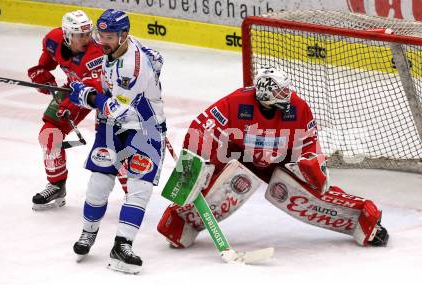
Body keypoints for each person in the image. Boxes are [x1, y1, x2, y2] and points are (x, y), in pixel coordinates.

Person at [157, 67, 389, 249]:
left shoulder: (297, 108)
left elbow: (309, 142)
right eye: (279, 91)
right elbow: (202, 128)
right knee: (210, 181)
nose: (286, 95)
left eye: (286, 90)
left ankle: (361, 216)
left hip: (278, 160)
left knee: (305, 188)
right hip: (237, 155)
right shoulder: (236, 103)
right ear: (265, 92)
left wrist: (312, 164)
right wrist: (190, 169)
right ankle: (181, 220)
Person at [68, 9, 166, 274]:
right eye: (100, 35)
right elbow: (158, 58)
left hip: (144, 130)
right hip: (112, 128)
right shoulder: (119, 49)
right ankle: (88, 233)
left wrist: (87, 96)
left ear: (124, 35)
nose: (102, 41)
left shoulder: (131, 67)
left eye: (109, 36)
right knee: (98, 184)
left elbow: (118, 108)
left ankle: (122, 245)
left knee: (139, 188)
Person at [28, 10, 128, 211]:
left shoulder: (95, 53)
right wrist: (42, 75)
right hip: (75, 88)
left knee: (112, 146)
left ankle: (134, 197)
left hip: (105, 97)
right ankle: (57, 185)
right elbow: (47, 62)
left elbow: (94, 87)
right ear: (66, 35)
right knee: (49, 134)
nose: (85, 39)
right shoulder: (53, 40)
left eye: (87, 33)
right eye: (79, 35)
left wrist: (68, 105)